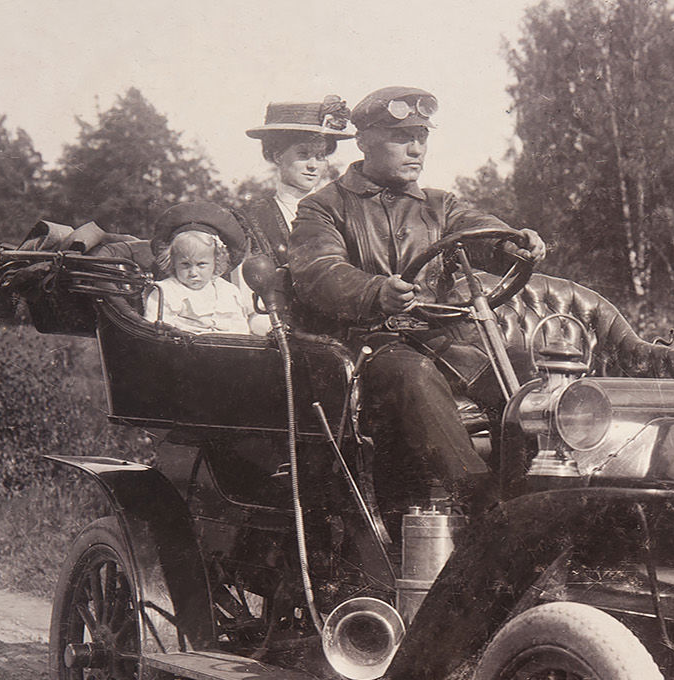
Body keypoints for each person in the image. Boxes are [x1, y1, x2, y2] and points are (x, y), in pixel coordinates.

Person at [288, 86, 546, 506]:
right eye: (401, 137)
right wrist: (376, 291)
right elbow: (319, 272)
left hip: (442, 339)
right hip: (368, 347)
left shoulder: (440, 205)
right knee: (415, 375)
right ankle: (481, 504)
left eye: (421, 137)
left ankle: (529, 500)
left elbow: (480, 230)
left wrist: (514, 244)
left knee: (520, 381)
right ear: (365, 141)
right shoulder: (324, 207)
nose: (416, 149)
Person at [239, 97, 349, 265]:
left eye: (320, 156)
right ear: (278, 156)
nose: (313, 165)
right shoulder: (253, 217)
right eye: (303, 155)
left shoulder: (340, 212)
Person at [144, 202, 269, 335]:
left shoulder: (228, 292)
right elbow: (156, 329)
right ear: (173, 262)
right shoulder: (167, 292)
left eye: (201, 264)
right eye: (185, 265)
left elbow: (240, 326)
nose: (193, 273)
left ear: (216, 261)